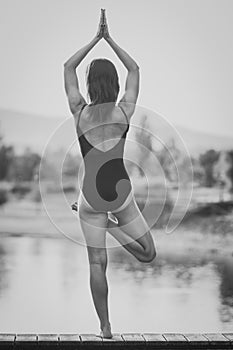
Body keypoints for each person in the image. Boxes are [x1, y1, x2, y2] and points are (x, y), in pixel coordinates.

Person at [64, 9, 156, 338]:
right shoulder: (124, 111)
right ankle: (114, 224)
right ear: (115, 84)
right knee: (148, 254)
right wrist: (109, 39)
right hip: (119, 193)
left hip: (90, 198)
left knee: (96, 264)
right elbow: (135, 68)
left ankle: (105, 328)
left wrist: (94, 39)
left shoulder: (78, 111)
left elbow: (67, 67)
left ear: (89, 84)